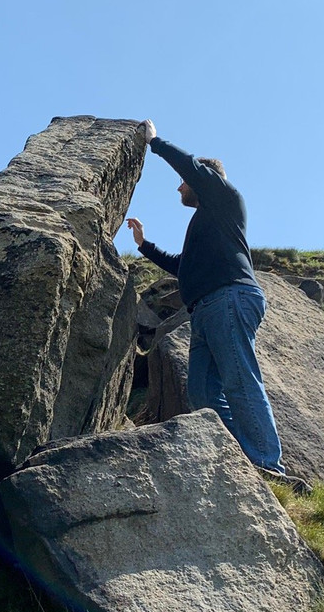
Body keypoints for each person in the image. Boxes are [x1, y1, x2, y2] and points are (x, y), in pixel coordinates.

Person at [126, 119, 304, 489]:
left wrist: (155, 142)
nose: (179, 186)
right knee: (202, 393)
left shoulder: (225, 199)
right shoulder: (206, 223)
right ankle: (242, 460)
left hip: (230, 298)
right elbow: (182, 267)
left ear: (205, 179)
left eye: (184, 182)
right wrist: (144, 246)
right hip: (206, 309)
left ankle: (268, 464)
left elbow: (189, 166)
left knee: (239, 379)